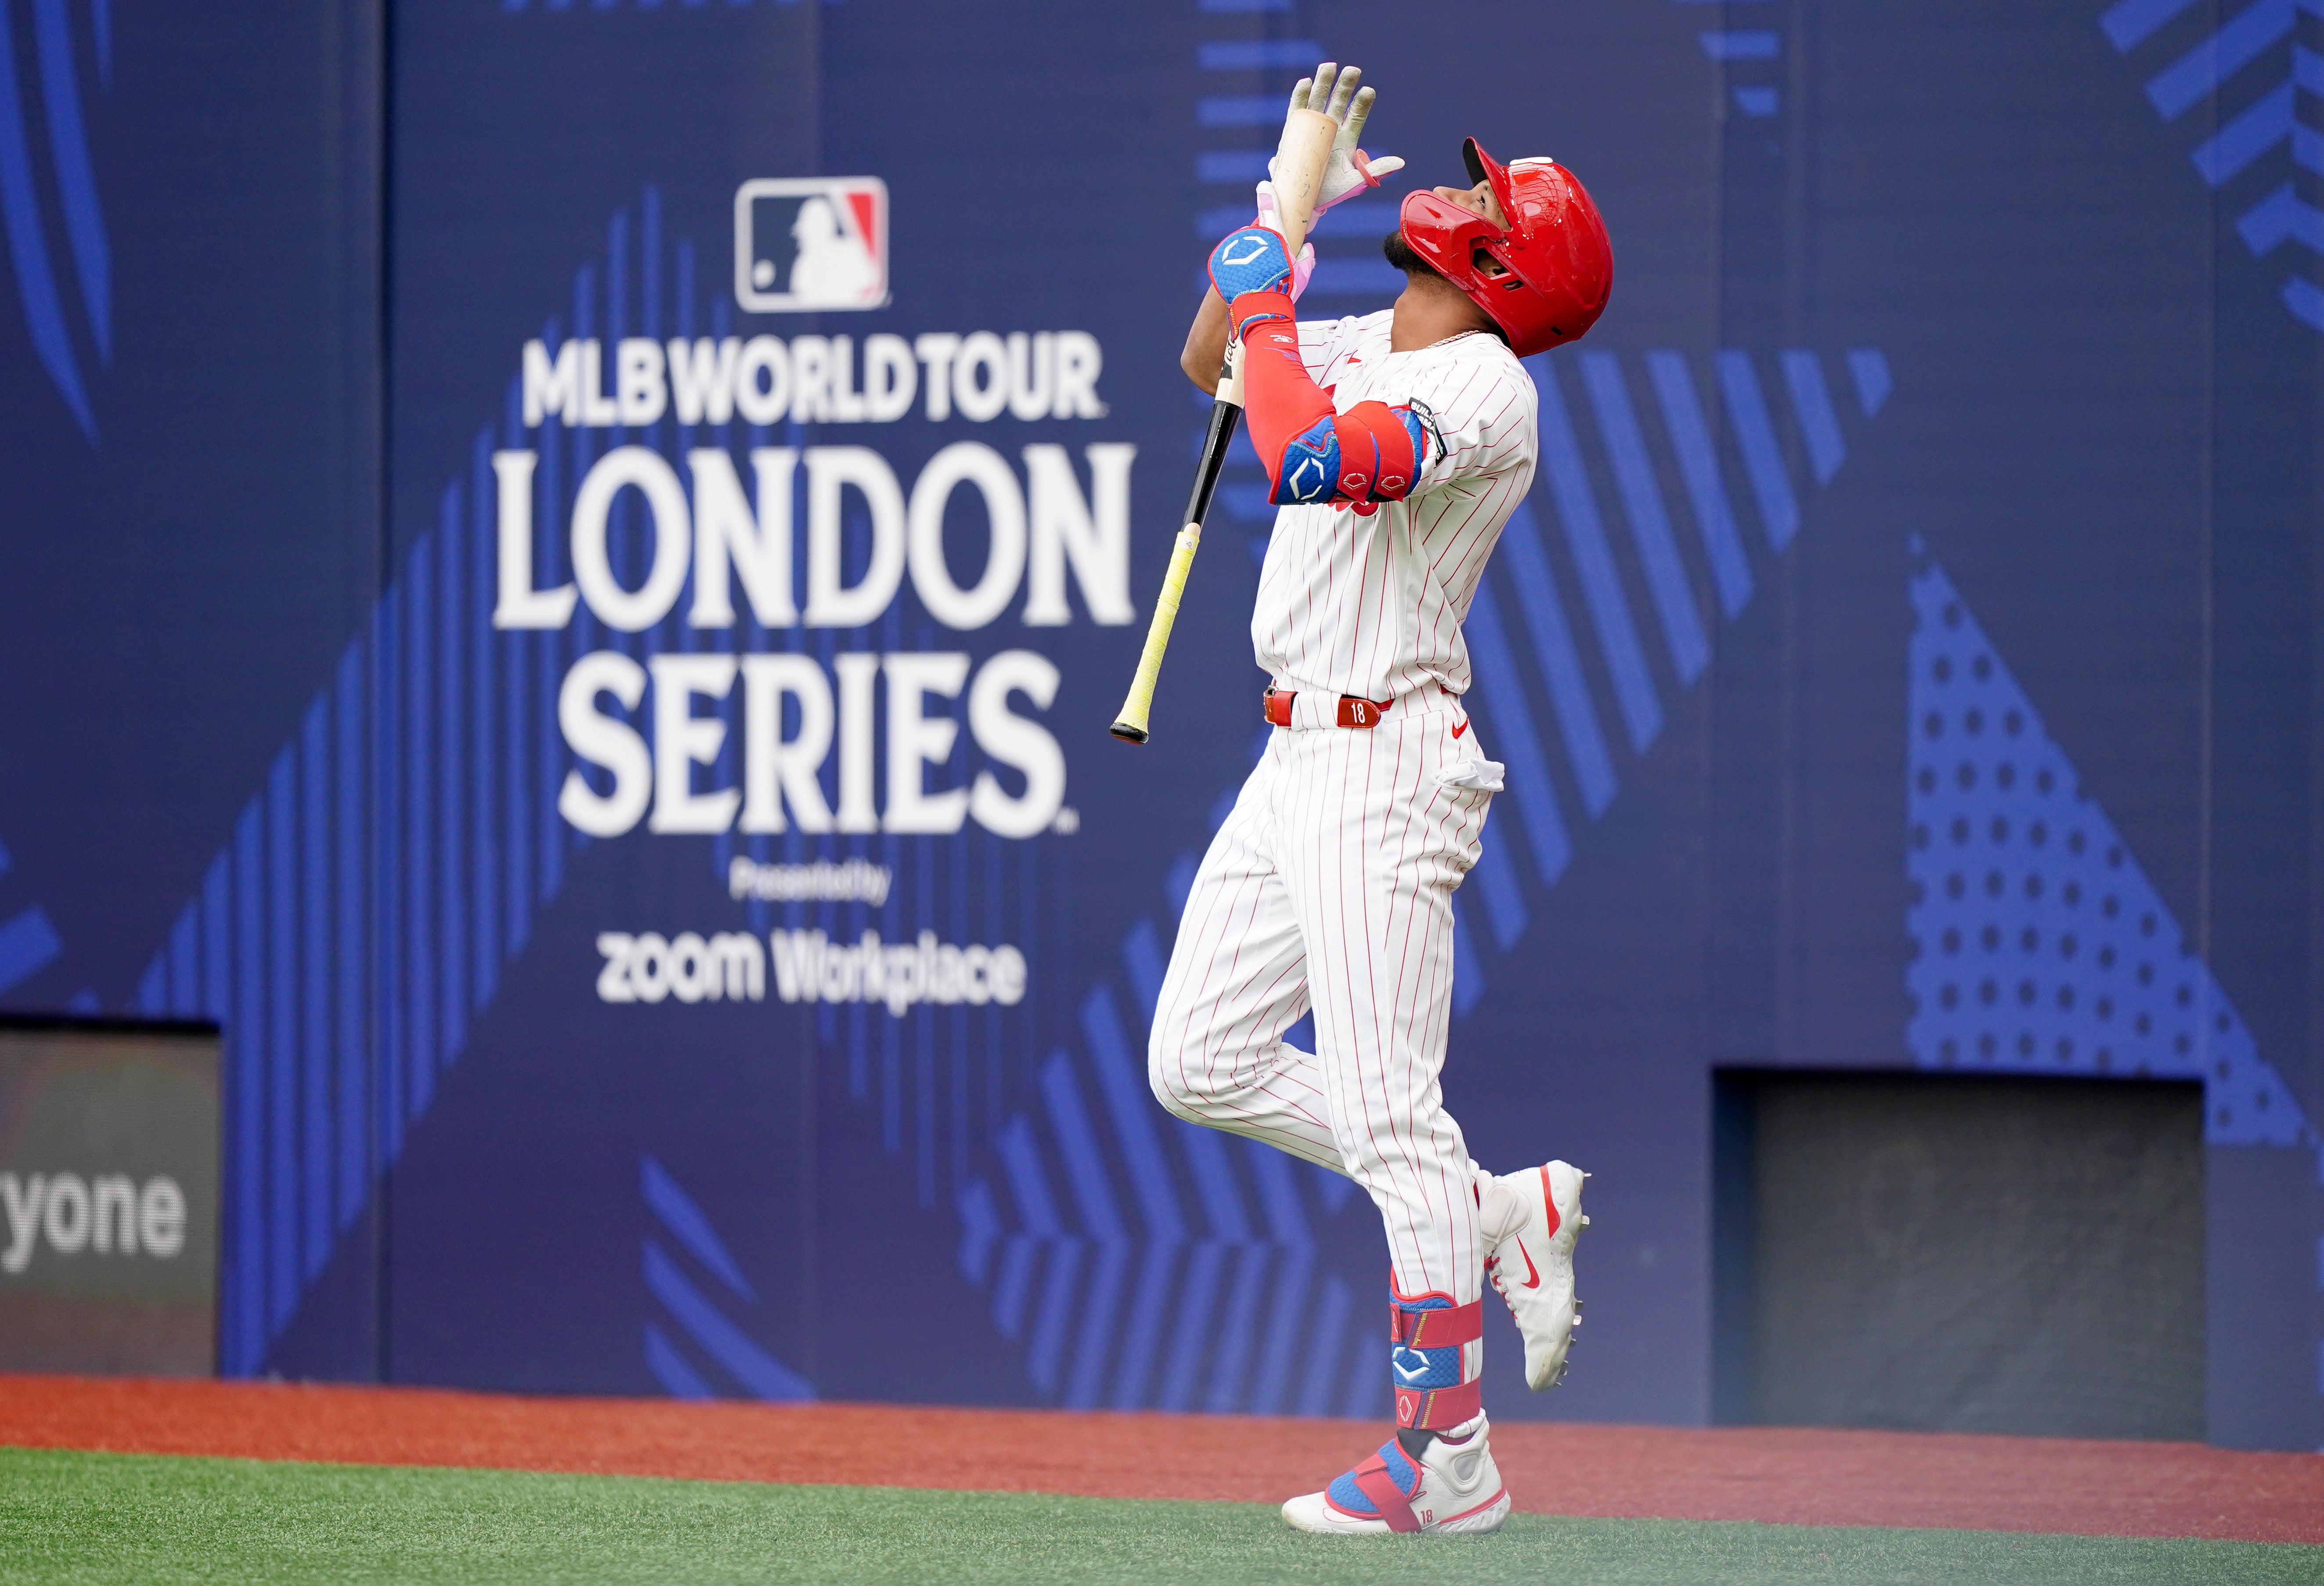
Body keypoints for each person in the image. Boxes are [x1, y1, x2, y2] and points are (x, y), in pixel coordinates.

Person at [1145, 65, 1614, 1535]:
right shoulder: (1375, 334)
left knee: (1385, 1111)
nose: (1458, 194)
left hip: (1387, 765)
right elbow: (1209, 364)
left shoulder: (1485, 386)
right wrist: (1278, 221)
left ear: (1497, 265)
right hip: (1293, 751)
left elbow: (1305, 460)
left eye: (1485, 202)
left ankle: (1446, 1465)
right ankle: (1489, 1212)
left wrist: (1271, 298)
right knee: (1198, 1058)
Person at [787, 195, 878, 307]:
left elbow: (870, 281)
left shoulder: (850, 251)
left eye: (806, 229)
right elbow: (800, 299)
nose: (801, 236)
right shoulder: (805, 262)